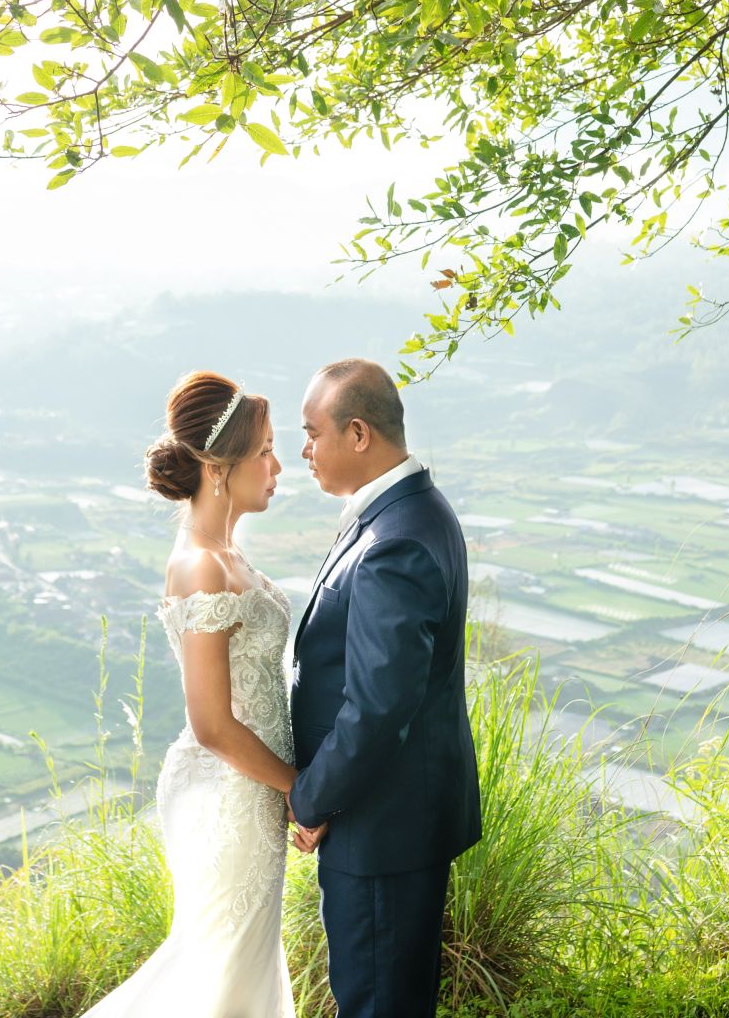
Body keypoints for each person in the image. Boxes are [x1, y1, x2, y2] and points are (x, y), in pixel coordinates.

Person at [80, 370, 296, 1018]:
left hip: (250, 787)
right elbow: (211, 723)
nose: (277, 466)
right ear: (217, 467)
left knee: (236, 968)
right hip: (226, 792)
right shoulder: (201, 564)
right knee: (216, 973)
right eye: (264, 451)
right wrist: (298, 787)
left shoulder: (225, 552)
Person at [287, 357, 483, 1018]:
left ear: (358, 434)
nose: (305, 450)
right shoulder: (409, 511)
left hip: (381, 829)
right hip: (392, 819)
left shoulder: (393, 540)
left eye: (312, 433)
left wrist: (310, 798)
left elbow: (377, 707)